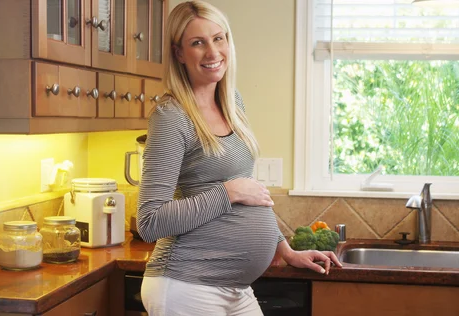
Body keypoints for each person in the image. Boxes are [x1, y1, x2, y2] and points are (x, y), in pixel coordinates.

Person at [137, 1, 342, 315]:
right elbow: (150, 222)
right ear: (179, 53)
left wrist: (284, 249)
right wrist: (228, 193)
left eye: (219, 38)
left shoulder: (233, 102)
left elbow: (250, 192)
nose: (212, 52)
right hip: (186, 285)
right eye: (197, 43)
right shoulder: (171, 116)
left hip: (234, 289)